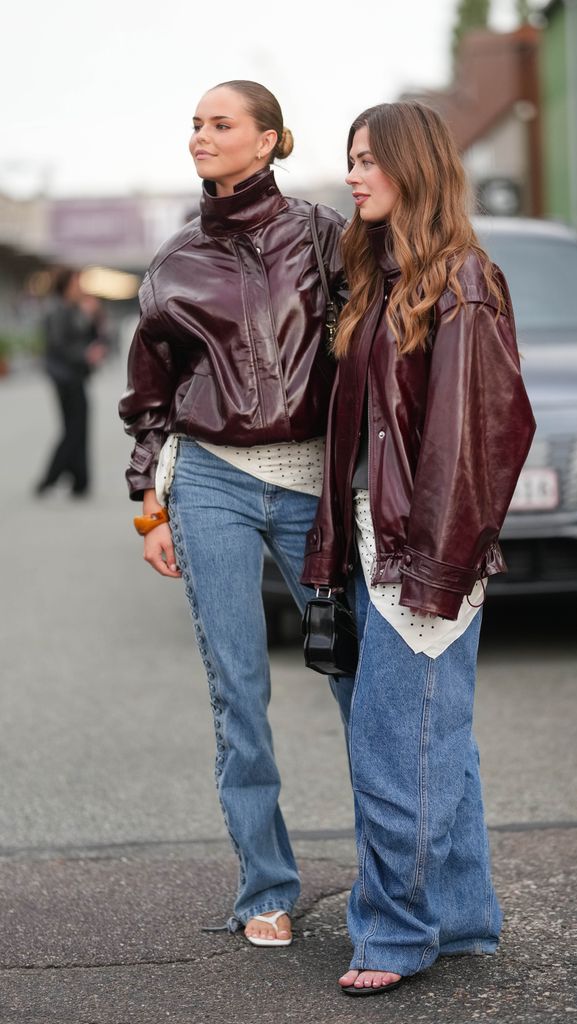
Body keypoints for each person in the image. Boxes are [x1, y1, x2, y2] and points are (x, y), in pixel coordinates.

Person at [301, 102, 536, 995]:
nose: (354, 174)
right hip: (374, 538)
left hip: (418, 552)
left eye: (369, 160)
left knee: (396, 745)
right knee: (437, 738)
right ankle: (465, 918)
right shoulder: (383, 278)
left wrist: (436, 565)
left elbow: (481, 437)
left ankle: (396, 933)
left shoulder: (462, 281)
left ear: (414, 166)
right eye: (350, 158)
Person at [118, 80, 346, 946]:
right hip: (208, 481)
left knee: (356, 681)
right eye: (195, 124)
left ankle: (396, 885)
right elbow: (151, 398)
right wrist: (152, 505)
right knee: (238, 691)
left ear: (270, 141)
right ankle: (266, 888)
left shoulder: (324, 236)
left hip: (311, 485)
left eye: (221, 124)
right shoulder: (174, 261)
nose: (202, 136)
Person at [35, 268, 108, 497]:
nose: (81, 288)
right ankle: (50, 478)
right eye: (77, 283)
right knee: (74, 429)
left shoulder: (76, 309)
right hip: (64, 376)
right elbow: (58, 345)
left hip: (75, 375)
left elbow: (91, 337)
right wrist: (85, 355)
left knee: (78, 426)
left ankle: (80, 481)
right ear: (67, 285)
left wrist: (93, 316)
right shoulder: (57, 309)